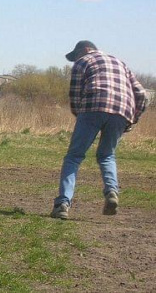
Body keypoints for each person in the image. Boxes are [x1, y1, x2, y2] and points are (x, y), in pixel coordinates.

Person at [51, 41, 147, 220]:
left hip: (92, 107)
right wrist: (133, 119)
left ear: (86, 50)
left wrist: (80, 116)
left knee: (74, 156)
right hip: (122, 111)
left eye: (76, 56)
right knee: (107, 155)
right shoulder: (120, 63)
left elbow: (75, 96)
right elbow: (142, 94)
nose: (75, 60)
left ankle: (62, 204)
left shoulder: (83, 61)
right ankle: (112, 192)